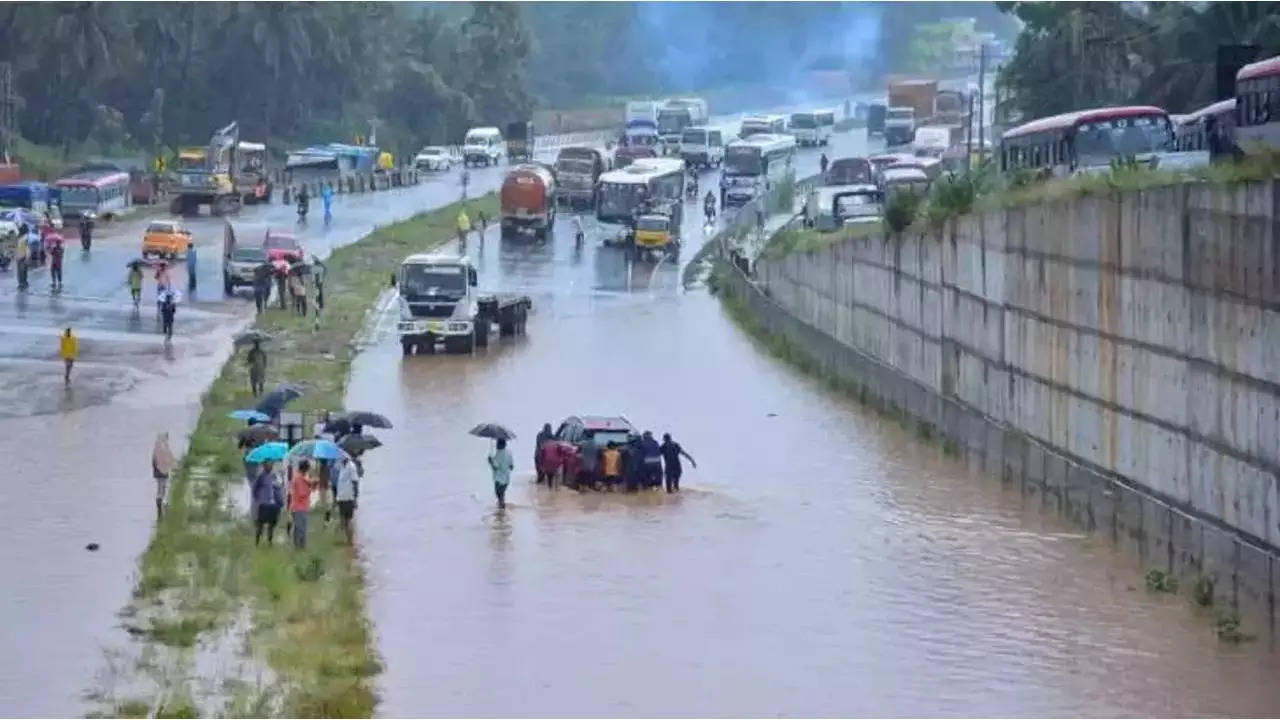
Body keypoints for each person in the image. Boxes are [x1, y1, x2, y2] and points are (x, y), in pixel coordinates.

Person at [253, 460, 284, 546]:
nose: (270, 466)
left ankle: (270, 541)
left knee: (272, 525)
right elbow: (255, 489)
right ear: (263, 465)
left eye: (271, 464)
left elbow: (279, 488)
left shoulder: (274, 476)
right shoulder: (260, 476)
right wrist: (258, 500)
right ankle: (257, 543)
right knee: (260, 524)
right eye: (268, 464)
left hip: (274, 505)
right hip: (263, 504)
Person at [288, 459, 317, 549]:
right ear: (305, 469)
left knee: (298, 529)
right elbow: (302, 493)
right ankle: (300, 548)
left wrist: (312, 484)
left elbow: (308, 484)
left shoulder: (300, 477)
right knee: (301, 530)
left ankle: (298, 547)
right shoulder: (299, 478)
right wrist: (310, 489)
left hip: (298, 507)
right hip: (299, 508)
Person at [335, 455, 359, 542]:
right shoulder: (341, 466)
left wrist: (355, 498)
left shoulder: (351, 466)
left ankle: (350, 540)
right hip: (341, 497)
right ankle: (348, 539)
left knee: (348, 519)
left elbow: (355, 482)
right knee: (343, 519)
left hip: (349, 497)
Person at [152, 432, 174, 520]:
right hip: (163, 473)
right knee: (163, 488)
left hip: (158, 473)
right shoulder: (164, 449)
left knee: (160, 488)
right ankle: (161, 506)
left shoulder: (156, 450)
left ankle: (159, 507)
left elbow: (154, 463)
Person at [488, 438, 514, 509]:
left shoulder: (498, 454)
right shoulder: (509, 453)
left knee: (498, 494)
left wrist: (490, 461)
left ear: (500, 445)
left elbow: (495, 467)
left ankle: (501, 508)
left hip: (499, 479)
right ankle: (501, 507)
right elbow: (511, 467)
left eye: (497, 443)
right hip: (506, 479)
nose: (496, 445)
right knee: (502, 494)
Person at [14, 225, 28, 290]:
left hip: (21, 255)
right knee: (23, 270)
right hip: (21, 255)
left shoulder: (22, 238)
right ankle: (23, 282)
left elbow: (25, 248)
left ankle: (22, 282)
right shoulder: (22, 238)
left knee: (21, 270)